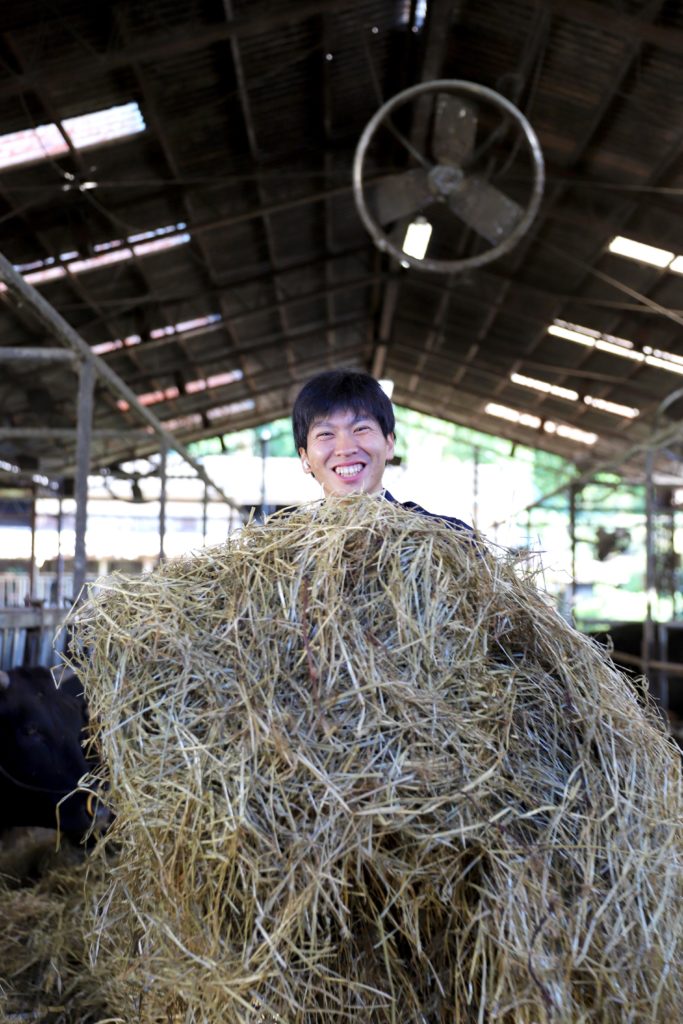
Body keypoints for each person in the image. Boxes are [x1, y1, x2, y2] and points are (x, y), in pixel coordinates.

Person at [292, 368, 471, 531]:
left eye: (361, 429)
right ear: (305, 459)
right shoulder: (282, 554)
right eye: (325, 434)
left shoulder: (453, 538)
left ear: (389, 444)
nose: (345, 449)